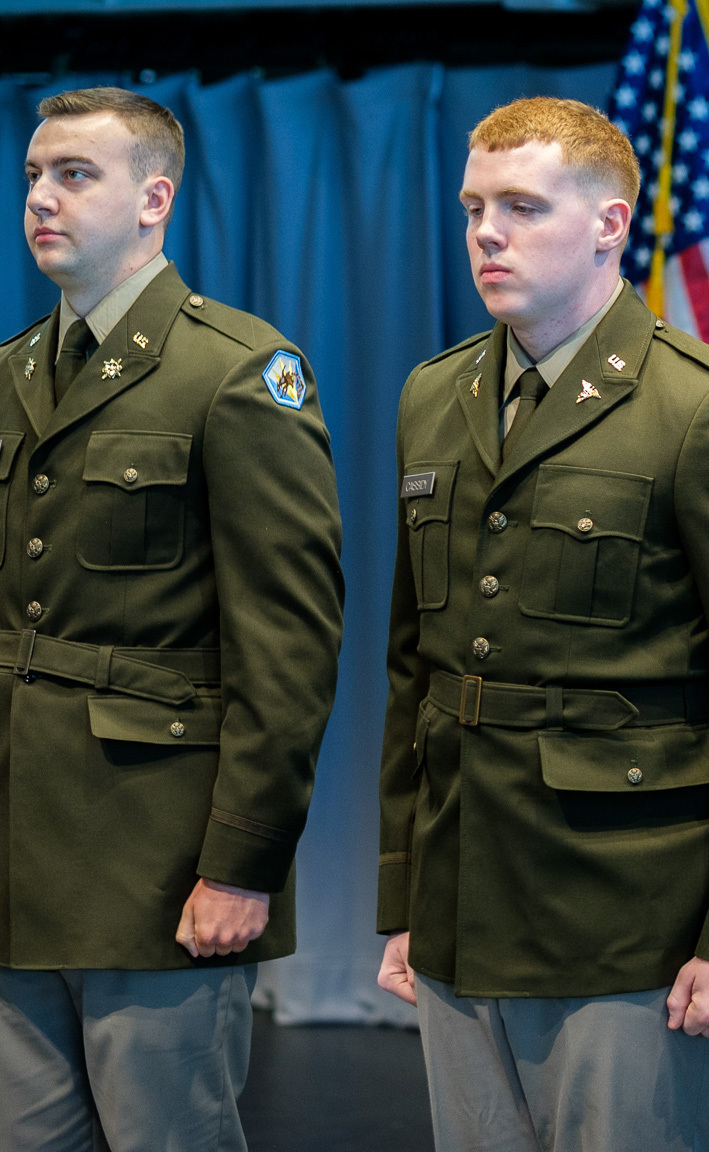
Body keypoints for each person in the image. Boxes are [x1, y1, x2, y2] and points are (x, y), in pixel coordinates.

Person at [374, 97, 709, 1152]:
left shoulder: (706, 408)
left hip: (628, 915)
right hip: (459, 897)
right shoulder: (434, 396)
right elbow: (418, 672)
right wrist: (404, 894)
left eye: (521, 205)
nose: (486, 232)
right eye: (472, 207)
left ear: (608, 223)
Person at [0, 88, 345, 1151]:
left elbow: (288, 648)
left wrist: (242, 860)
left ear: (156, 199)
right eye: (32, 176)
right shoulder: (13, 371)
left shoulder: (236, 371)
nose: (42, 199)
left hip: (158, 860)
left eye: (75, 175)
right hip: (20, 853)